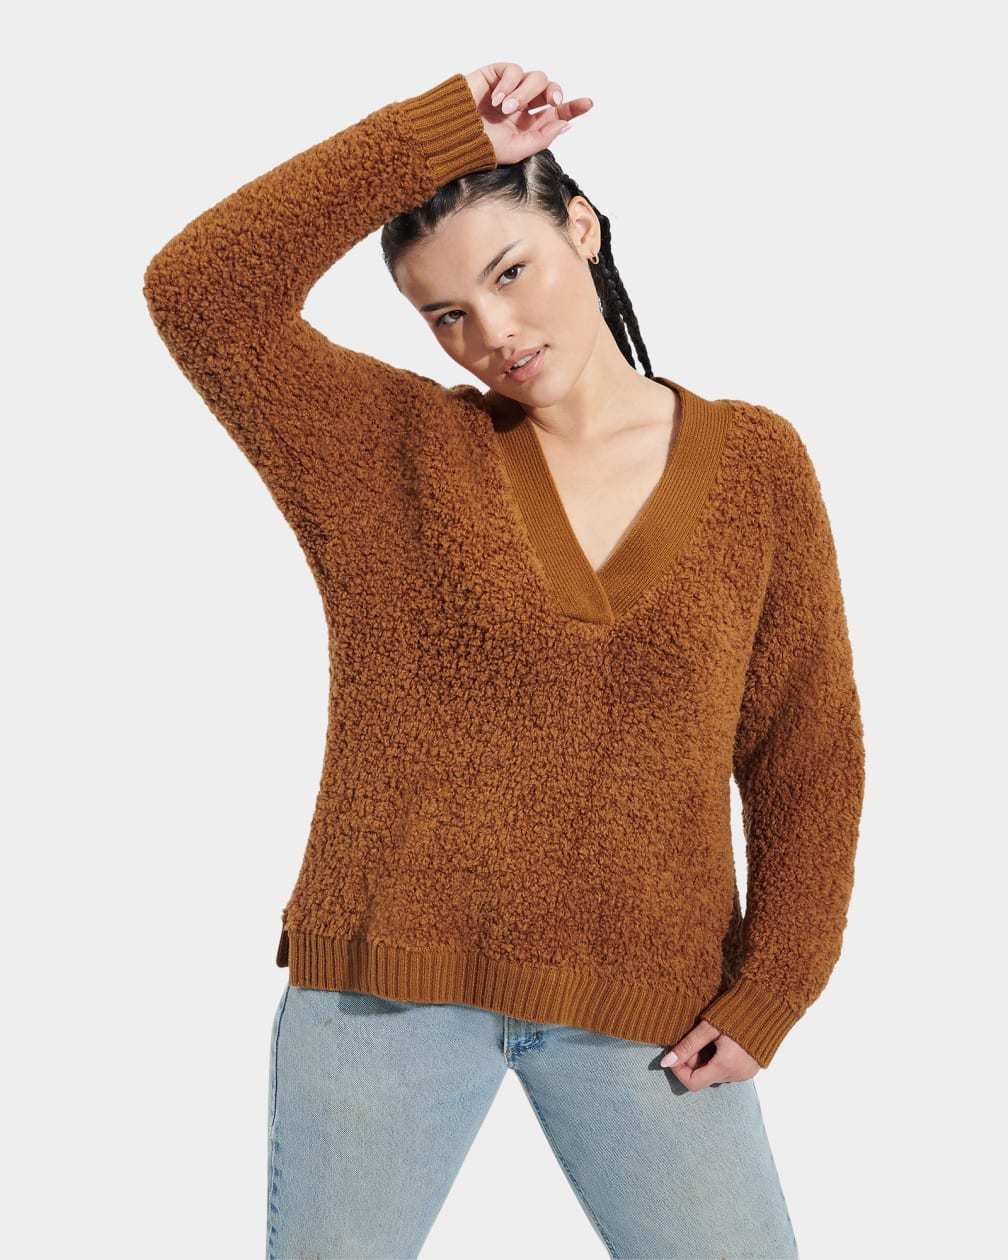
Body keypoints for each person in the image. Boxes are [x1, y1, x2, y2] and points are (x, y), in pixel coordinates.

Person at [144, 59, 865, 1260]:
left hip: (649, 1004)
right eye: (446, 315)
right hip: (384, 997)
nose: (494, 334)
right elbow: (200, 293)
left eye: (509, 272)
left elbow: (806, 746)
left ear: (581, 228)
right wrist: (430, 138)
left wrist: (779, 981)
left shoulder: (756, 467)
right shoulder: (390, 452)